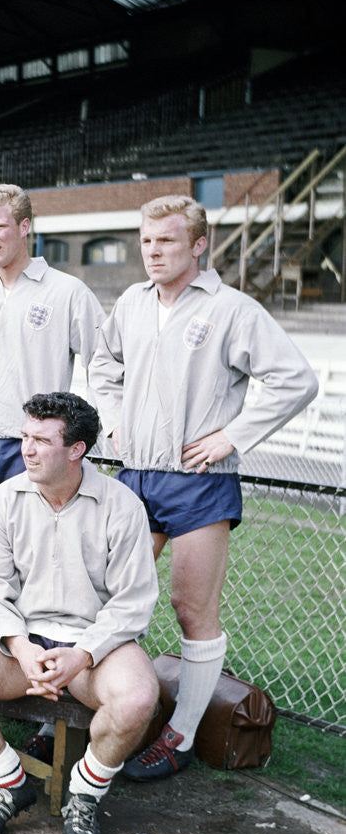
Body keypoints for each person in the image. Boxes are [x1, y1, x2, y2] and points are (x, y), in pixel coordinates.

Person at [89, 194, 318, 782]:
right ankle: (92, 709)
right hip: (136, 474)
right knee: (109, 598)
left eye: (165, 241)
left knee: (190, 609)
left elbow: (295, 380)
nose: (152, 252)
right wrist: (112, 415)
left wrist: (232, 437)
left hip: (199, 481)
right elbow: (103, 366)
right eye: (145, 241)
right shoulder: (133, 305)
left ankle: (181, 734)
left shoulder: (233, 309)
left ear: (197, 244)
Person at [0, 392, 159, 834]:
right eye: (24, 437)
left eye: (41, 440)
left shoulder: (121, 505)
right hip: (23, 641)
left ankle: (86, 793)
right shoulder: (3, 500)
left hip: (95, 647)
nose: (26, 450)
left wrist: (83, 653)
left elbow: (133, 601)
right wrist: (20, 645)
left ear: (76, 450)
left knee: (137, 698)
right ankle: (7, 782)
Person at [0, 184, 103, 495]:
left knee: (29, 539)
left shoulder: (68, 292)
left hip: (34, 441)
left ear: (24, 226)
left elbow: (103, 360)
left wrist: (92, 426)